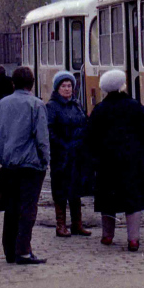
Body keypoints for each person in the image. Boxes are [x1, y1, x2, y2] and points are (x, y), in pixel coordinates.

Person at [85, 70, 144, 252]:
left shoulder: (100, 109)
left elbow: (90, 137)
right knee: (133, 199)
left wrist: (93, 160)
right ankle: (133, 240)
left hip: (106, 162)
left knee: (107, 199)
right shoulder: (135, 106)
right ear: (122, 86)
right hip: (132, 160)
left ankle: (107, 236)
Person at [0, 66, 50, 265]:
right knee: (28, 208)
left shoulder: (2, 104)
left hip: (9, 164)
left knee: (11, 206)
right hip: (31, 165)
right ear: (32, 84)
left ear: (13, 83)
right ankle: (23, 251)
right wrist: (45, 160)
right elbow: (42, 137)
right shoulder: (37, 105)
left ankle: (9, 250)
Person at [46, 71, 90, 238]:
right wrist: (62, 145)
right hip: (61, 155)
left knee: (76, 189)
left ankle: (77, 224)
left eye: (69, 86)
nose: (67, 89)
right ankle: (61, 224)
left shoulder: (76, 104)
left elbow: (83, 123)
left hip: (77, 154)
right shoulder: (52, 106)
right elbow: (49, 130)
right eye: (63, 86)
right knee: (60, 189)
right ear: (57, 88)